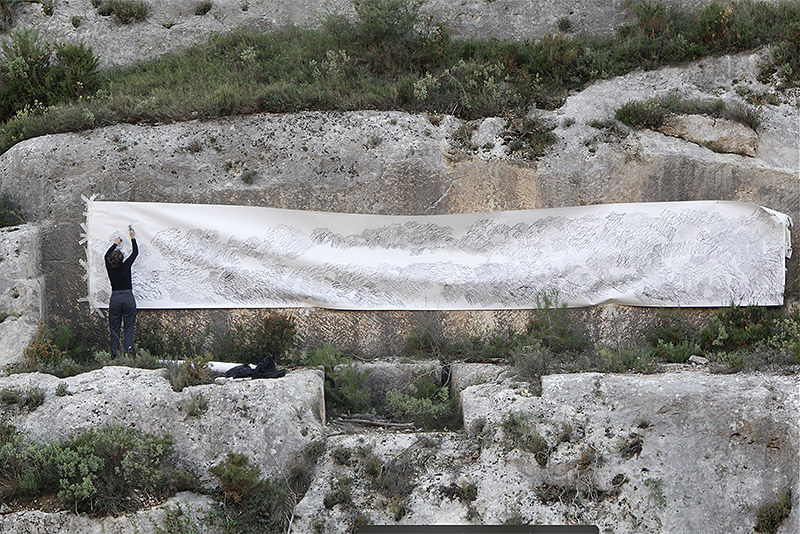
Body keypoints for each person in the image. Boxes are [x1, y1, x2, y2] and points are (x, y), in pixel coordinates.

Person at [105, 227, 138, 356]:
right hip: (128, 297)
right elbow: (135, 253)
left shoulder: (110, 268)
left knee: (114, 328)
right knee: (129, 327)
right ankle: (128, 352)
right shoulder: (126, 266)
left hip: (116, 298)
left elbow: (106, 255)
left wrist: (115, 243)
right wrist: (133, 237)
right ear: (122, 258)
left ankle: (114, 354)